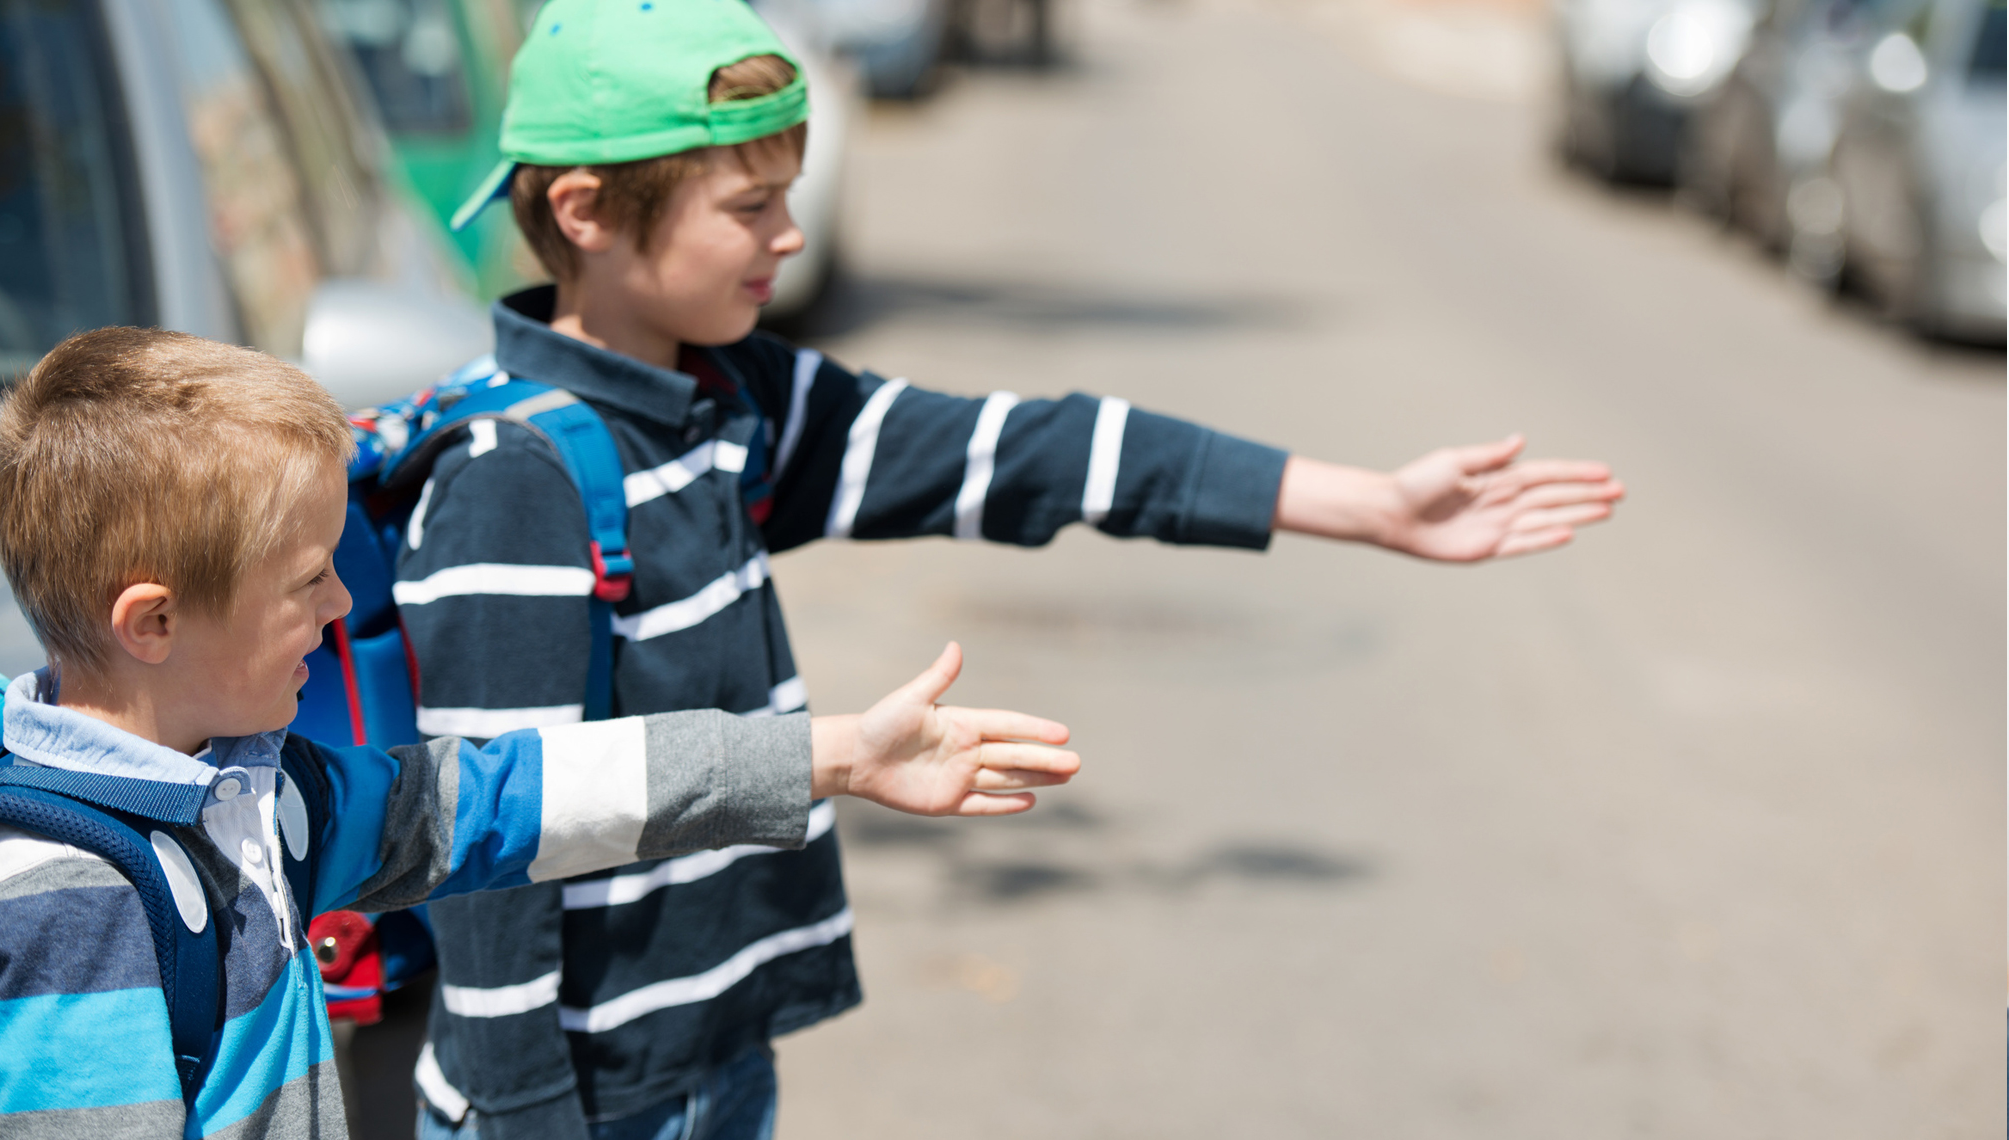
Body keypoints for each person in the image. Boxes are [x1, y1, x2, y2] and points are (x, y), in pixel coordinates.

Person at [409, 1, 1627, 1136]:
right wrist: (523, 1115)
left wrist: (1362, 504)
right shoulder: (519, 476)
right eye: (747, 206)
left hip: (715, 1051)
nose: (788, 235)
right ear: (582, 212)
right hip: (577, 1098)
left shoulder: (731, 401)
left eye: (788, 195)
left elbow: (1027, 452)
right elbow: (485, 838)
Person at [0, 327, 1080, 1138]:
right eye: (308, 580)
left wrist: (829, 756)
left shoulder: (255, 794)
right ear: (155, 621)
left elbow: (520, 794)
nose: (336, 610)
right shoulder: (75, 903)